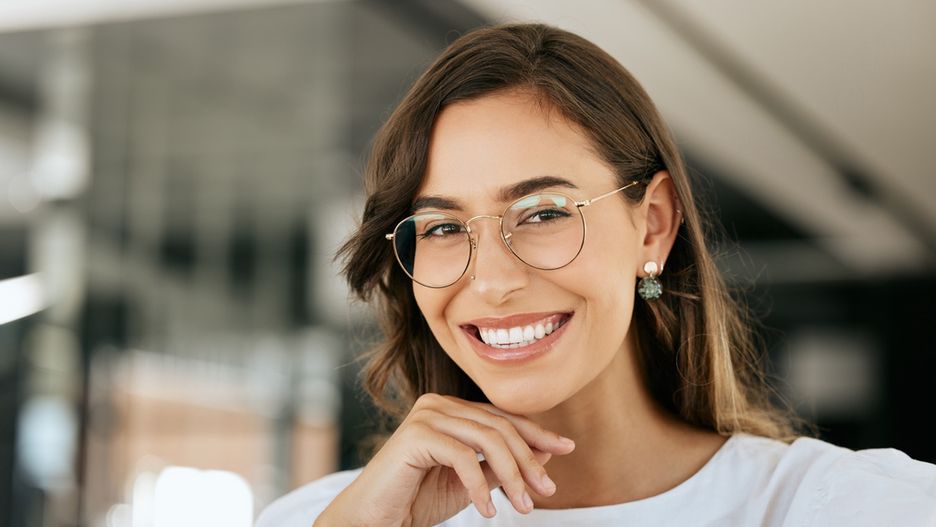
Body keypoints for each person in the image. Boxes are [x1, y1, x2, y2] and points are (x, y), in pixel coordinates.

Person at [256, 23, 936, 526]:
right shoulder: (332, 515)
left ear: (654, 224)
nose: (491, 280)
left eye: (543, 212)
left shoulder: (838, 506)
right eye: (440, 226)